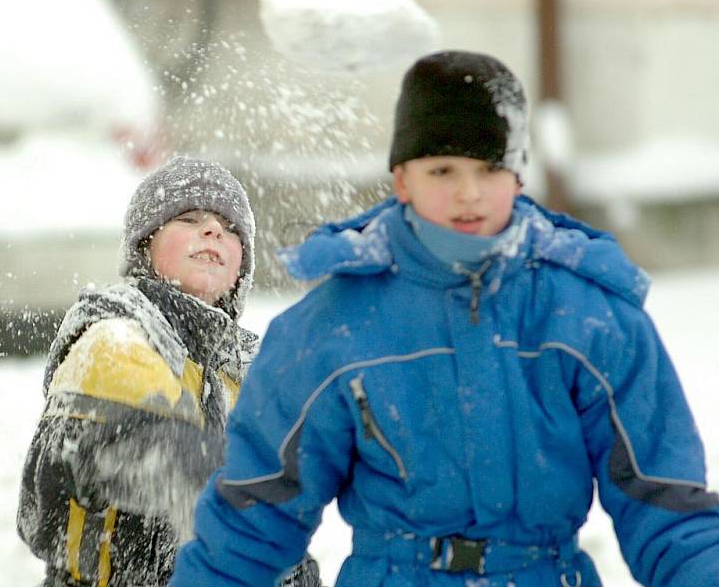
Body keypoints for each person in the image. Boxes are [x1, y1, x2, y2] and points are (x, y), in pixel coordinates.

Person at [167, 51, 719, 586]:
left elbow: (668, 506)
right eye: (443, 169)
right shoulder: (329, 330)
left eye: (489, 168)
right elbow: (254, 517)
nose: (468, 193)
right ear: (402, 180)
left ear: (519, 177)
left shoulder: (589, 318)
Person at [16, 157, 321, 586]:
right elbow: (124, 448)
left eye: (230, 228)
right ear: (145, 247)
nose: (213, 230)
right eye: (189, 218)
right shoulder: (115, 337)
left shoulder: (239, 373)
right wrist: (250, 495)